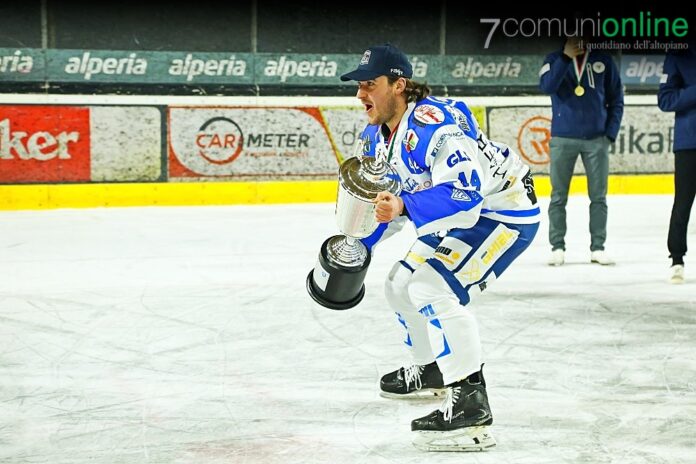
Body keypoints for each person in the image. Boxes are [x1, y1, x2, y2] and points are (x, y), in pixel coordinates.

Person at [340, 43, 540, 452]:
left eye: (369, 85)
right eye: (359, 85)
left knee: (432, 287)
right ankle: (431, 370)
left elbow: (467, 195)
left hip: (504, 212)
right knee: (399, 284)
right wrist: (355, 248)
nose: (361, 94)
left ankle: (471, 406)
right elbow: (386, 205)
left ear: (399, 85)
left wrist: (403, 205)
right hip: (461, 209)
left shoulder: (435, 126)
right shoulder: (376, 137)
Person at [539, 35, 624, 266]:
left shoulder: (603, 60)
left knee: (598, 197)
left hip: (596, 139)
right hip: (562, 138)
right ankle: (557, 246)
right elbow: (547, 86)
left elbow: (617, 99)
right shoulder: (553, 59)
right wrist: (565, 57)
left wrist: (609, 134)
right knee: (558, 196)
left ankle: (598, 247)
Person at [658, 46, 696, 284]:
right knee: (682, 202)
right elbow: (665, 99)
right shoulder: (678, 55)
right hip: (689, 142)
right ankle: (677, 258)